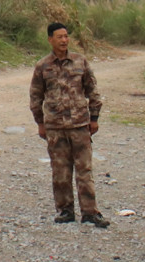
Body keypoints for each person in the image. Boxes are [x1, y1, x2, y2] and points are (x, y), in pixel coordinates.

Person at [29, 22, 109, 227]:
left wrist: (94, 118)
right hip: (55, 127)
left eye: (66, 36)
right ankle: (65, 211)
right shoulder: (42, 66)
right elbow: (36, 96)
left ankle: (90, 212)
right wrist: (40, 123)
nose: (64, 40)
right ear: (50, 39)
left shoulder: (80, 62)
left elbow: (92, 91)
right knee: (60, 171)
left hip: (80, 125)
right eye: (59, 37)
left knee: (85, 170)